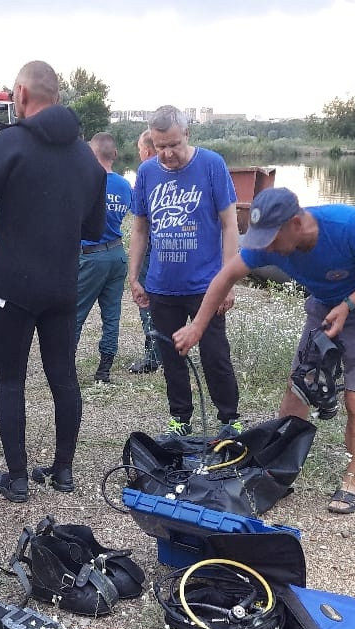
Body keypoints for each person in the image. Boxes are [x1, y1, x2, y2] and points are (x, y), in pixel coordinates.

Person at [173, 187, 355, 515]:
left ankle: (352, 481)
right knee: (298, 386)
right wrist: (197, 326)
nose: (264, 247)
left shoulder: (349, 226)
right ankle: (279, 470)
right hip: (325, 302)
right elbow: (226, 276)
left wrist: (349, 304)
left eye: (271, 237)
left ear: (296, 223)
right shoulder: (268, 246)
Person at [0, 60, 105, 503]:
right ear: (56, 95)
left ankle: (18, 478)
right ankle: (63, 471)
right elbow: (95, 228)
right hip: (62, 285)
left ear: (20, 93)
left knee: (10, 380)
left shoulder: (11, 142)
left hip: (15, 285)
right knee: (63, 376)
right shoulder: (86, 156)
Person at [128, 105, 241, 438]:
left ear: (187, 135)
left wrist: (228, 280)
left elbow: (230, 224)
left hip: (206, 285)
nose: (167, 153)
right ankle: (180, 417)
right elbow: (139, 229)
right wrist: (134, 276)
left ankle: (229, 419)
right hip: (162, 285)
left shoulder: (212, 165)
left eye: (173, 145)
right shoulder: (147, 172)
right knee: (171, 355)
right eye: (160, 146)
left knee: (215, 355)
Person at [75, 132, 131, 384]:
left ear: (91, 154)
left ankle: (64, 364)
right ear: (115, 155)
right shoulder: (125, 186)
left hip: (91, 255)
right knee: (112, 314)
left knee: (74, 314)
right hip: (117, 253)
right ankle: (104, 370)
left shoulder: (85, 181)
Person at [126, 129, 161, 375]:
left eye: (139, 149)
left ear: (146, 151)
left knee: (147, 301)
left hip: (150, 249)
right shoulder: (172, 173)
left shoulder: (145, 174)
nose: (139, 153)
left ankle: (153, 356)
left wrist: (134, 273)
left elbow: (140, 224)